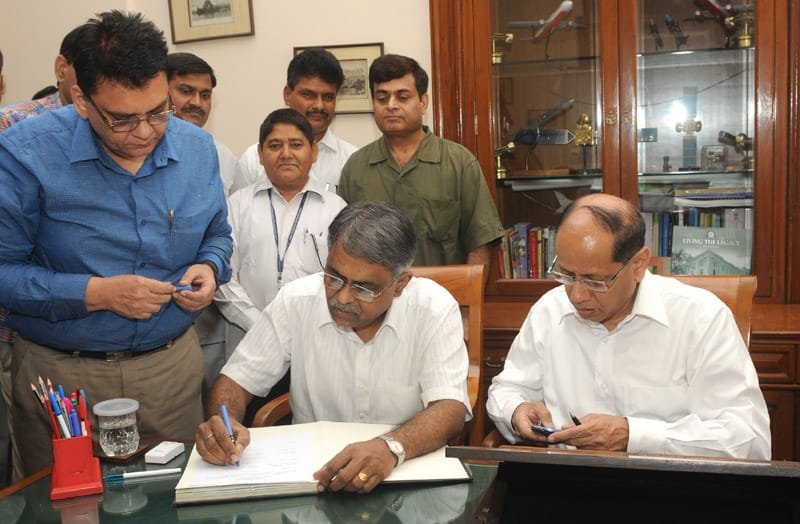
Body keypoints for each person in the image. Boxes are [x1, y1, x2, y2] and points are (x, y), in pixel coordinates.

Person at [0, 10, 232, 476]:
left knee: (177, 503)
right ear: (81, 99)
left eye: (158, 111)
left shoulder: (196, 149)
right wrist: (95, 294)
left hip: (169, 376)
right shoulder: (26, 153)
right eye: (123, 120)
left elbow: (218, 234)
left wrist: (210, 266)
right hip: (64, 381)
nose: (145, 131)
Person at [197, 201, 470, 494]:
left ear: (400, 283)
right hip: (314, 475)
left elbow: (449, 408)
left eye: (363, 288)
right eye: (334, 277)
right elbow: (235, 380)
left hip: (406, 469)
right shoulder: (297, 300)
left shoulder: (434, 308)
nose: (342, 297)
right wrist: (224, 424)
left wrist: (391, 448)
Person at [486, 193, 771, 460]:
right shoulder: (550, 309)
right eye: (566, 274)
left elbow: (749, 439)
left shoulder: (701, 318)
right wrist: (517, 410)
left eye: (595, 281)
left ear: (639, 264)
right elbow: (506, 389)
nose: (576, 295)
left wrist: (633, 435)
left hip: (669, 488)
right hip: (567, 482)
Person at [337, 54, 504, 266]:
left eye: (402, 97)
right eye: (382, 98)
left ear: (423, 102)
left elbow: (480, 243)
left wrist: (468, 296)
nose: (391, 105)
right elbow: (343, 246)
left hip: (444, 295)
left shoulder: (459, 163)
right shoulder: (356, 168)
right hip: (375, 297)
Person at [215, 108, 346, 333]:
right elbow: (223, 276)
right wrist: (259, 326)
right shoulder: (236, 205)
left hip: (316, 334)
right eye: (275, 146)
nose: (286, 154)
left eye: (296, 145)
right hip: (248, 335)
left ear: (314, 152)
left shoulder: (336, 209)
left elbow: (344, 278)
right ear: (260, 153)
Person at [237, 48, 357, 194]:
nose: (319, 105)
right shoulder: (254, 160)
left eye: (328, 97)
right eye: (308, 95)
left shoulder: (351, 160)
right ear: (287, 95)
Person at [166, 52, 246, 196]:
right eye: (186, 91)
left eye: (205, 95)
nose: (197, 103)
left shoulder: (224, 157)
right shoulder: (140, 149)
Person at [0, 24, 83, 130]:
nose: (98, 82)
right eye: (89, 70)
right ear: (61, 69)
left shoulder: (108, 125)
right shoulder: (11, 121)